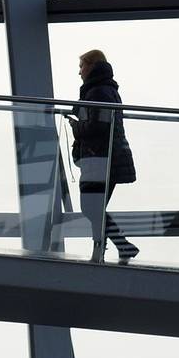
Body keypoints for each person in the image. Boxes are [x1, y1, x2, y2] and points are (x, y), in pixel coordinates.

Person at [73, 49, 139, 264]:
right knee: (95, 208)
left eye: (82, 66)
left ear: (91, 65)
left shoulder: (98, 91)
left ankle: (110, 247)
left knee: (91, 207)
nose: (79, 71)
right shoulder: (104, 90)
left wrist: (76, 127)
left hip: (99, 158)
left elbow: (98, 127)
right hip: (107, 157)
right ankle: (114, 247)